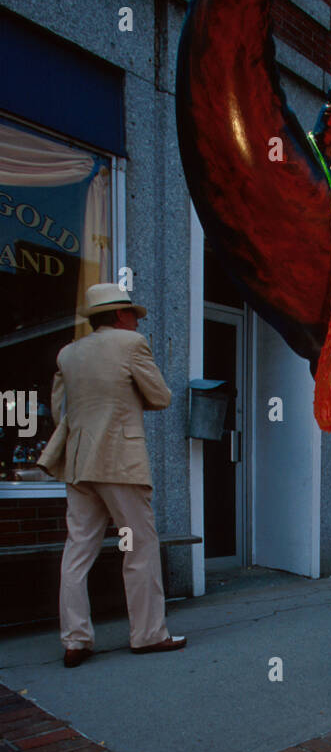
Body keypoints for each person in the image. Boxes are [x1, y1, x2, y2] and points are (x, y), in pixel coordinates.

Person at [38, 282, 186, 666]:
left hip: (79, 461)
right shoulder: (130, 345)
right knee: (138, 548)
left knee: (77, 551)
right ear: (120, 315)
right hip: (121, 460)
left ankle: (75, 640)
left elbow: (59, 410)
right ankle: (148, 634)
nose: (137, 320)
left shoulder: (68, 354)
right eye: (133, 314)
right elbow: (160, 396)